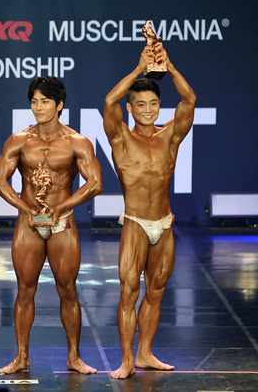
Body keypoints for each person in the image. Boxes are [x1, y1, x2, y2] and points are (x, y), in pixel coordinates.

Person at [0, 76, 103, 375]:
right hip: (28, 222)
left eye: (45, 101)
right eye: (34, 101)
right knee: (24, 290)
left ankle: (74, 358)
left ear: (59, 105)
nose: (38, 108)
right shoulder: (19, 140)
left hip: (62, 223)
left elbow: (95, 183)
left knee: (67, 290)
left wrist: (60, 208)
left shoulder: (76, 142)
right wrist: (26, 208)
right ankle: (21, 357)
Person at [103, 43, 196, 379]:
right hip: (136, 224)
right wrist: (139, 70)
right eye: (140, 104)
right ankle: (127, 360)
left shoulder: (170, 136)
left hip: (164, 224)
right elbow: (109, 102)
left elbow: (189, 100)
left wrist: (168, 67)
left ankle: (145, 353)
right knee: (129, 292)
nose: (147, 110)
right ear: (130, 108)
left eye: (153, 103)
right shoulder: (120, 138)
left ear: (159, 105)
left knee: (156, 291)